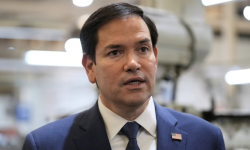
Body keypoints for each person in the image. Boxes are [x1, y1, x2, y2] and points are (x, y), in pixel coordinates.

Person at [22, 3, 225, 150]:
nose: (133, 63)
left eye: (143, 49)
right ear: (90, 66)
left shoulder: (206, 138)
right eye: (115, 52)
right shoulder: (46, 144)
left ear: (155, 56)